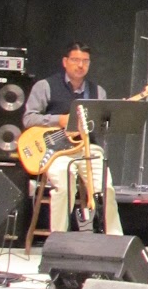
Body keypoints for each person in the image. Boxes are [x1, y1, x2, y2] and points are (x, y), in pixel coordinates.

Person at [23, 41, 123, 234]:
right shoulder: (45, 86)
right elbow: (28, 118)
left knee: (106, 188)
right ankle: (58, 238)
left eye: (85, 61)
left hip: (87, 148)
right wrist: (59, 120)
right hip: (56, 152)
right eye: (76, 60)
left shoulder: (98, 92)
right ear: (65, 61)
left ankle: (115, 240)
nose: (80, 65)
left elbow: (102, 128)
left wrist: (112, 116)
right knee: (63, 186)